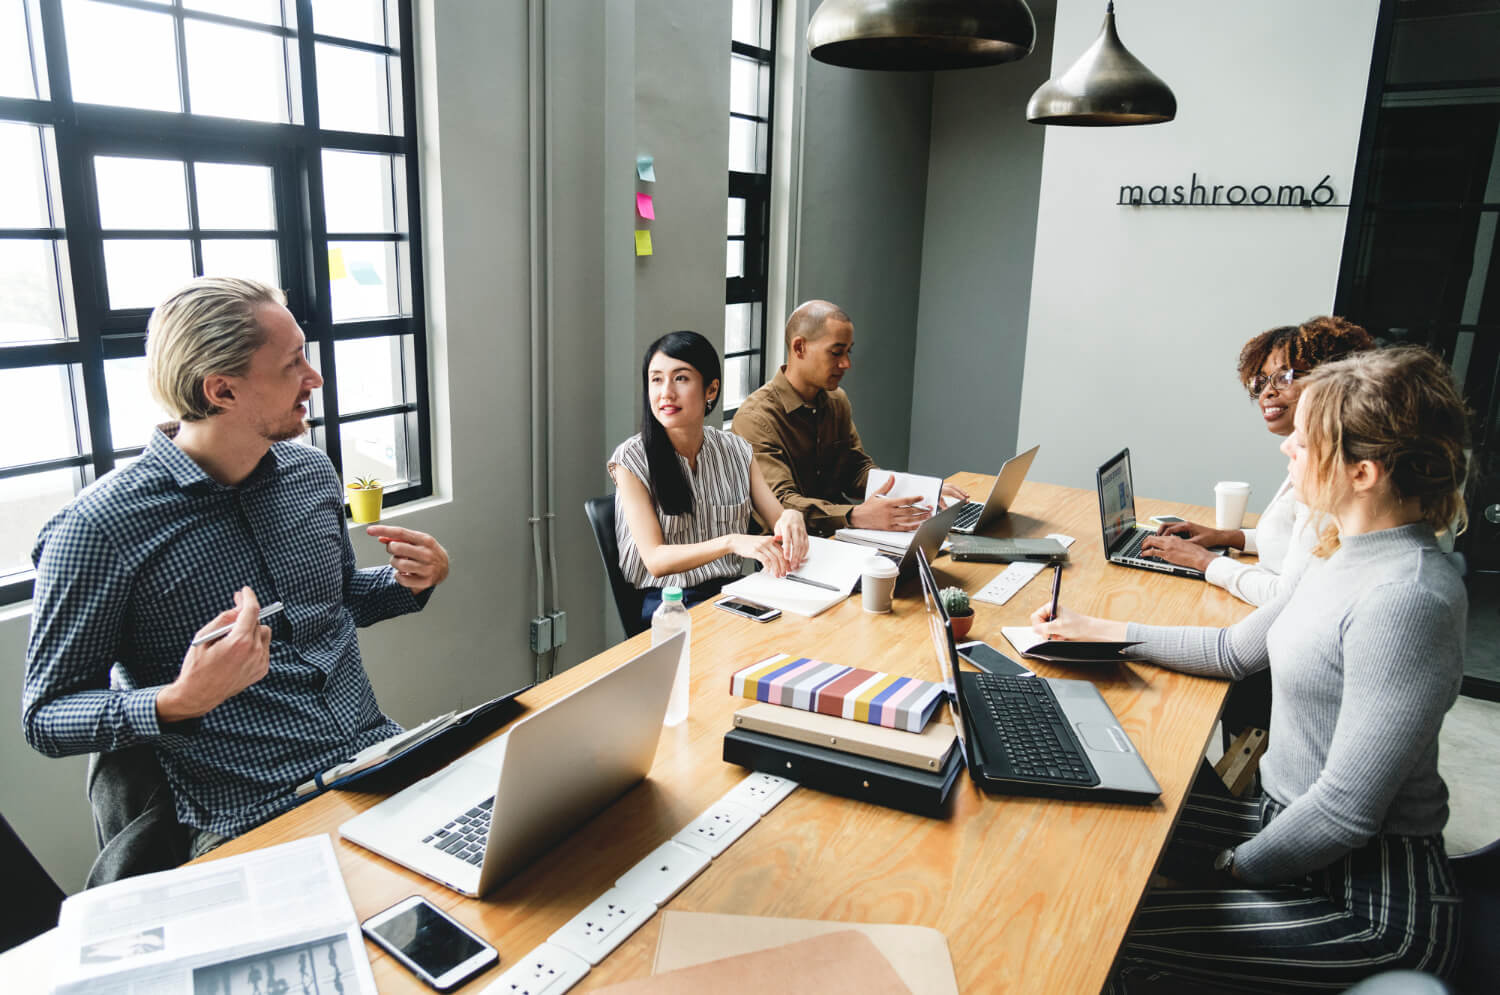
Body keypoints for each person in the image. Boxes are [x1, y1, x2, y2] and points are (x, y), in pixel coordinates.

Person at [1031, 346, 1469, 992]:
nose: (1288, 451)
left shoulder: (1407, 596)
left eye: (1305, 440)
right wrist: (1100, 633)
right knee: (1101, 827)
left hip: (1370, 904)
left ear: (1366, 472)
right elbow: (1234, 650)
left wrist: (1230, 866)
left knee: (1104, 925)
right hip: (1284, 819)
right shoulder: (1339, 550)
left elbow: (1346, 812)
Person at [23, 277, 450, 858]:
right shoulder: (98, 529)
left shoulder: (311, 475)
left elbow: (333, 601)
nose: (315, 378)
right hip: (254, 818)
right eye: (292, 364)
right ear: (222, 391)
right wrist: (177, 700)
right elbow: (45, 717)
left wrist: (407, 583)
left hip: (379, 758)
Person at [1141, 315, 1372, 606]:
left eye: (1284, 377)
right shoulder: (1307, 453)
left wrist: (1204, 562)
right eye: (1261, 381)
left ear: (1330, 382)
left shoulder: (1328, 475)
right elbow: (1294, 544)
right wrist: (1225, 537)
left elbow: (1287, 598)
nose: (1267, 392)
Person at [610, 330, 809, 624]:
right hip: (668, 605)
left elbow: (778, 521)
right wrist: (730, 542)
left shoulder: (737, 450)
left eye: (681, 378)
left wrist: (791, 517)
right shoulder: (630, 459)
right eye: (656, 379)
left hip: (732, 594)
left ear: (711, 390)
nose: (666, 392)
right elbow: (655, 559)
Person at [731, 300, 965, 537]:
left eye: (848, 351)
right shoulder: (755, 419)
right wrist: (856, 516)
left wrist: (923, 491)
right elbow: (782, 505)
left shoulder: (836, 401)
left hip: (843, 534)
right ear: (799, 347)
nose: (846, 363)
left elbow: (856, 469)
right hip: (789, 550)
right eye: (836, 352)